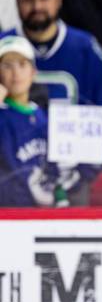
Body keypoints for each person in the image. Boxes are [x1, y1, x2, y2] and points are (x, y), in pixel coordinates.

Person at [1, 0, 102, 205]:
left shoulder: (85, 48)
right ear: (17, 0)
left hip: (71, 177)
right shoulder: (4, 47)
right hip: (11, 181)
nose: (37, 6)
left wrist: (85, 171)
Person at [0, 35, 66, 207]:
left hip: (41, 213)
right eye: (7, 65)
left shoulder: (43, 116)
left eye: (22, 64)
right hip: (8, 213)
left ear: (33, 72)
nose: (16, 73)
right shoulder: (2, 115)